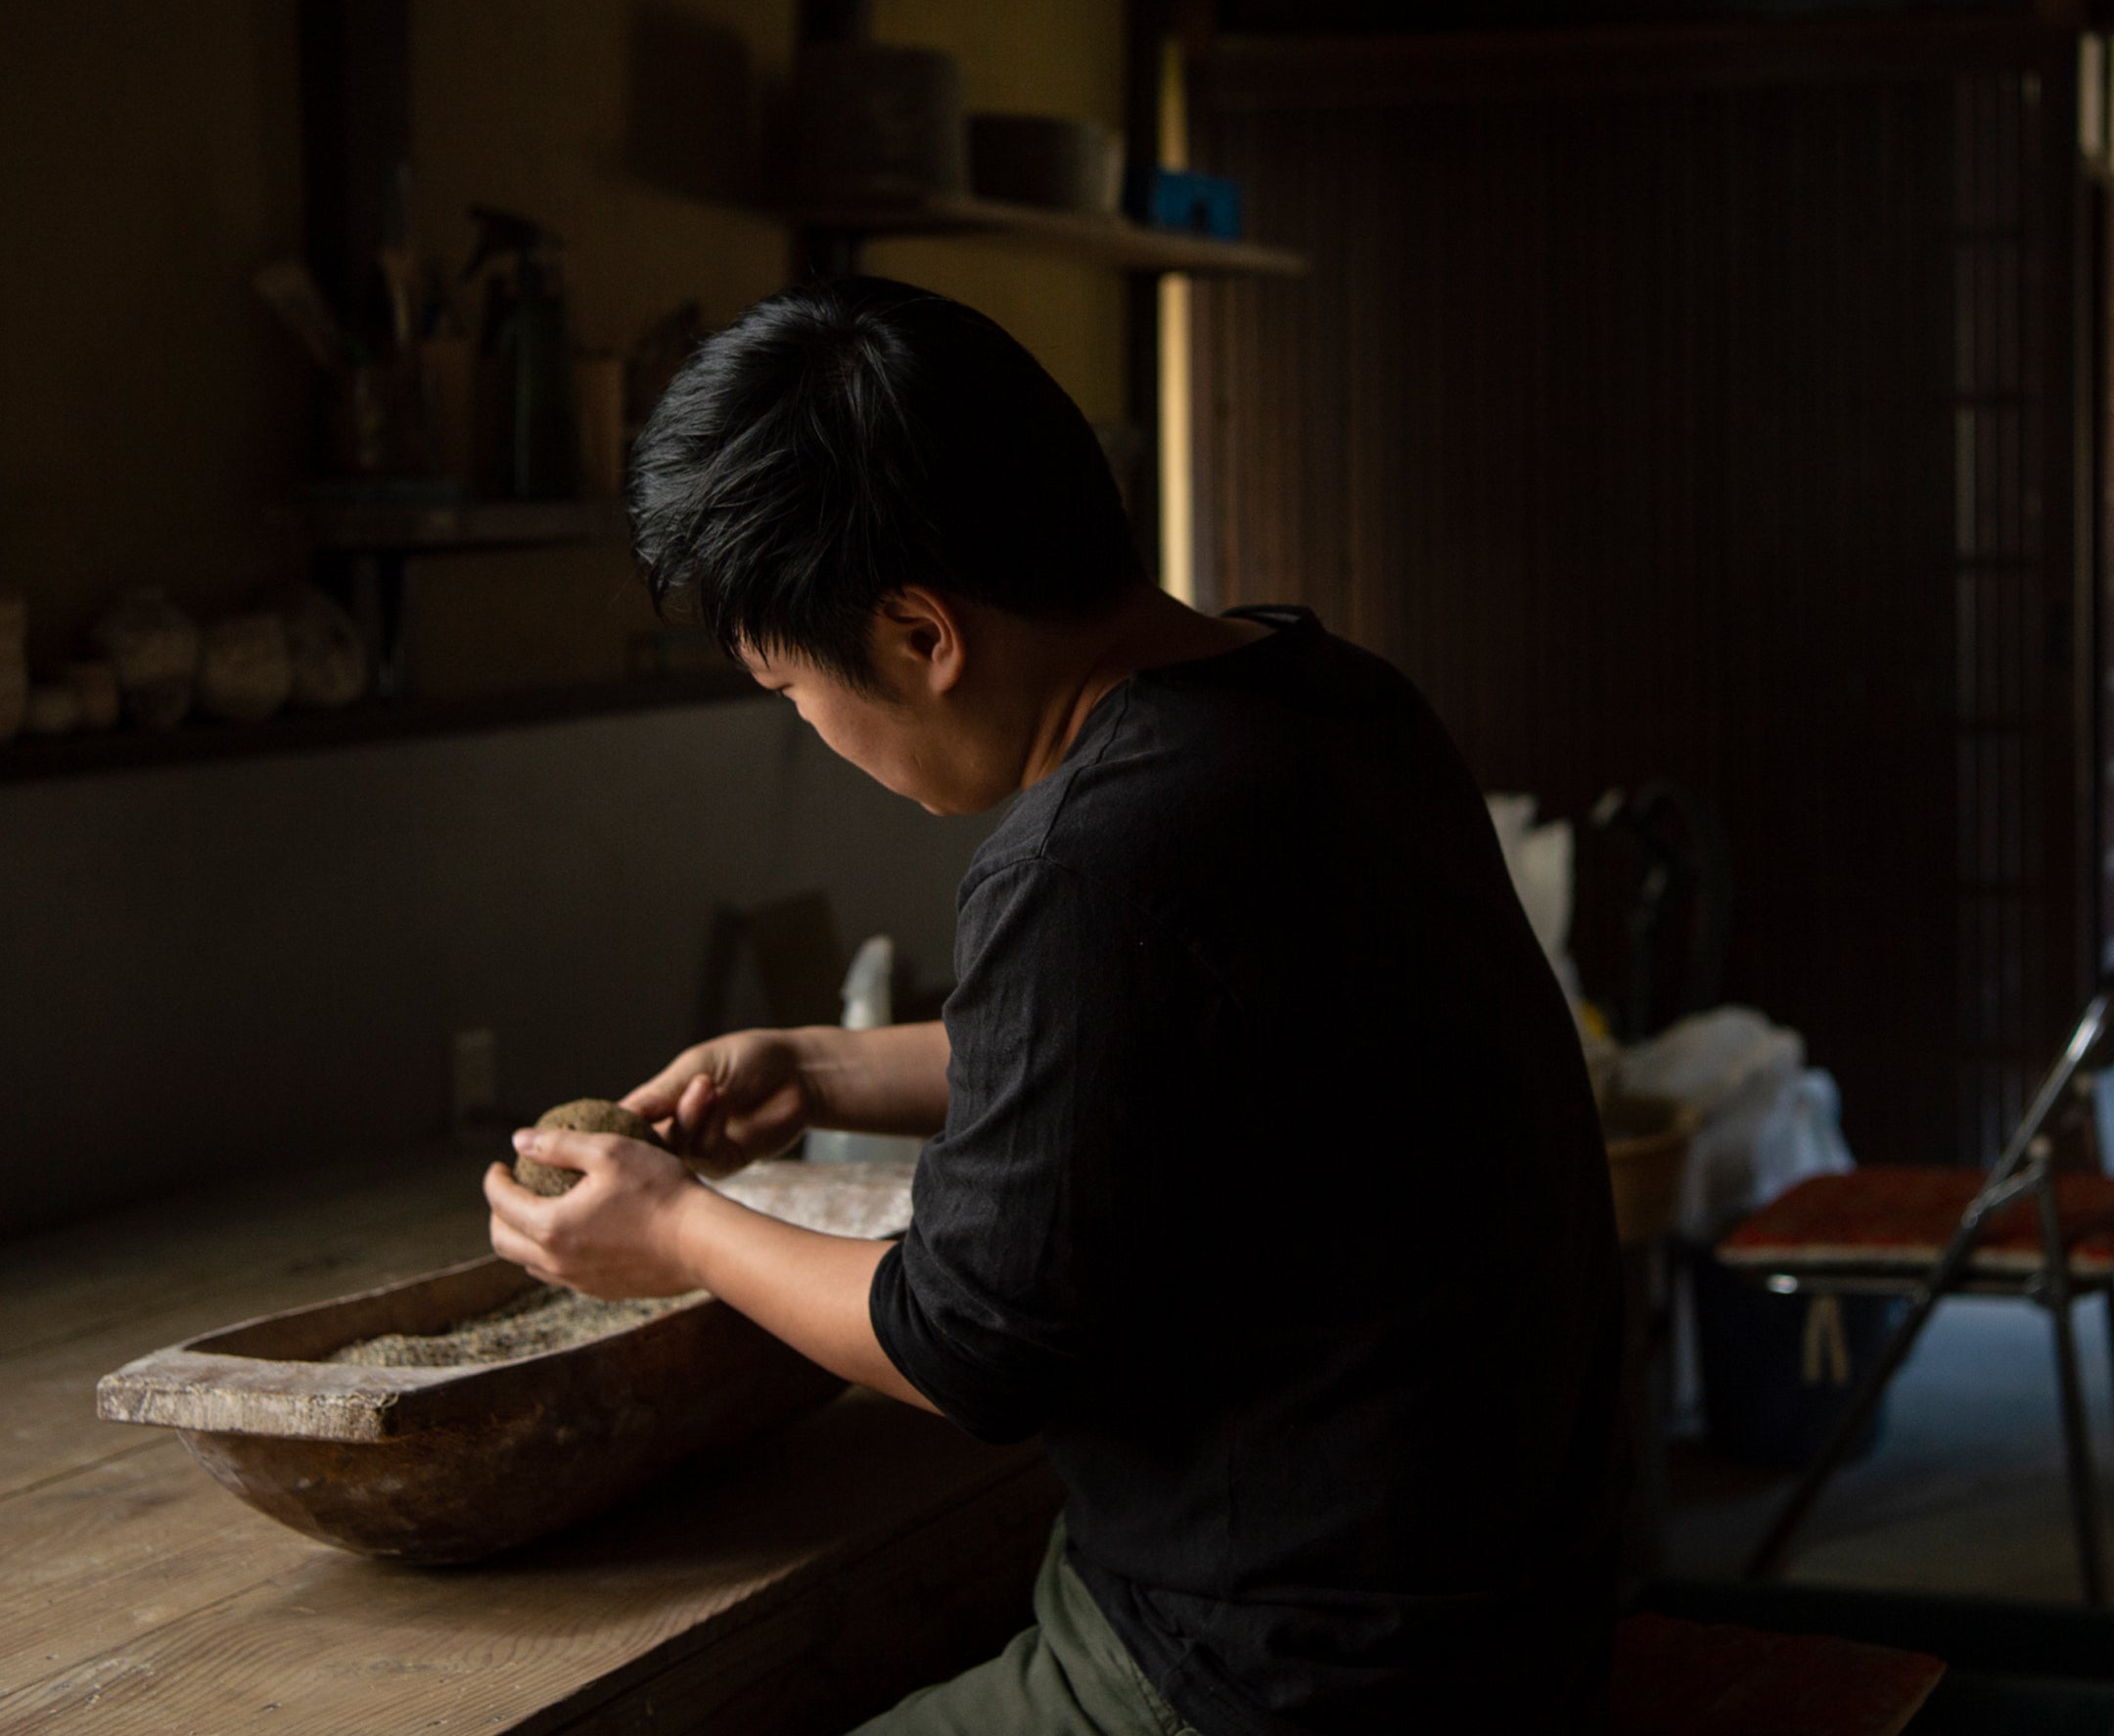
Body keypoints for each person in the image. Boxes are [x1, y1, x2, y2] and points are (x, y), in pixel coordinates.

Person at [484, 277, 1623, 1735]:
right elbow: (1158, 1050)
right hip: (1514, 1604)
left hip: (1299, 1674)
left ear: (921, 634)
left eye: (786, 688)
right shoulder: (1330, 700)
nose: (810, 727)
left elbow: (964, 1343)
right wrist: (820, 1068)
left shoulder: (1089, 853)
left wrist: (678, 1229)